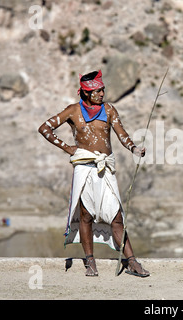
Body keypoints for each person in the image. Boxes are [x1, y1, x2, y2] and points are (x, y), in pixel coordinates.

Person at [38, 70, 150, 277]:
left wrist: (134, 148)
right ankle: (90, 261)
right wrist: (67, 147)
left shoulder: (109, 110)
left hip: (105, 168)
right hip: (84, 167)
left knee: (116, 217)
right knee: (86, 215)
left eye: (103, 90)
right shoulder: (72, 111)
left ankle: (132, 261)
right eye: (97, 91)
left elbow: (121, 134)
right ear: (86, 93)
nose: (102, 94)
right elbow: (45, 128)